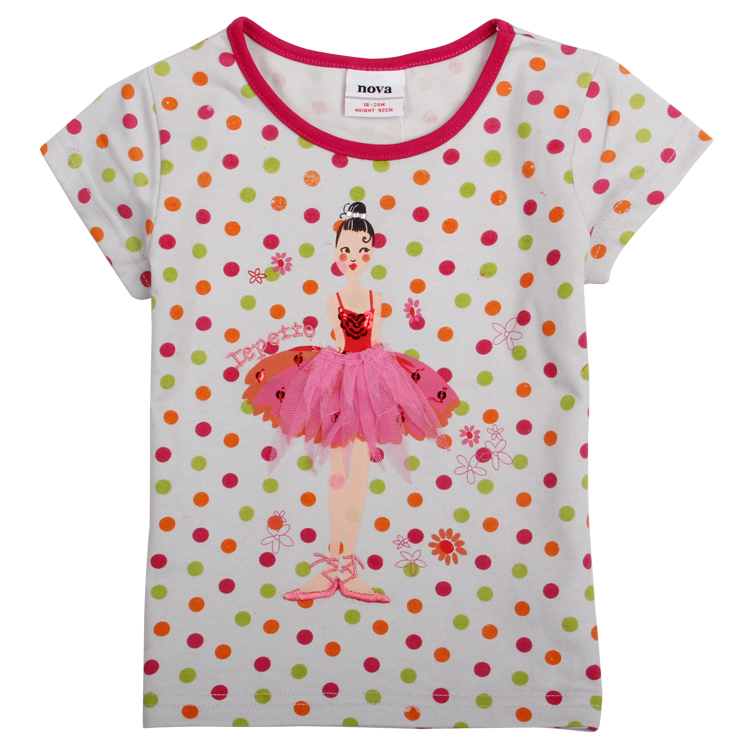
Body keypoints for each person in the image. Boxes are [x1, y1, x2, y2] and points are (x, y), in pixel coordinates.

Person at [242, 202, 460, 603]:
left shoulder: (376, 297)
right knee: (338, 471)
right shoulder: (335, 300)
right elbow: (341, 340)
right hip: (340, 377)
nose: (353, 257)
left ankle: (347, 564)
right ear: (336, 252)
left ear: (371, 253)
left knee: (358, 469)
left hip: (371, 377)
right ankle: (333, 561)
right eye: (346, 249)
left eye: (361, 249)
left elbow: (372, 339)